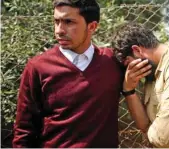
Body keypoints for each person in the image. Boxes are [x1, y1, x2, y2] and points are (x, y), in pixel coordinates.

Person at [12, 0, 123, 147]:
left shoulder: (113, 62)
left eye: (68, 22)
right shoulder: (38, 67)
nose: (59, 30)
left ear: (92, 26)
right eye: (56, 21)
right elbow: (24, 131)